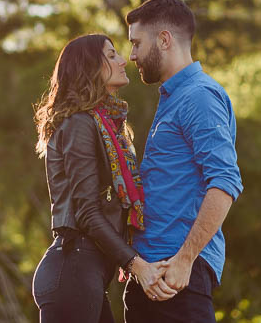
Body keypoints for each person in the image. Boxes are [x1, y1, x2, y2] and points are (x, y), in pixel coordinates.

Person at [32, 33, 175, 323]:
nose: (124, 60)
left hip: (86, 273)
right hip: (72, 268)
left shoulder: (105, 126)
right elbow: (86, 212)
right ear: (89, 68)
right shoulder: (79, 123)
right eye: (111, 55)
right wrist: (138, 266)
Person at [121, 0, 243, 322]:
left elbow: (225, 182)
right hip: (149, 276)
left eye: (136, 43)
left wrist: (185, 260)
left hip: (177, 281)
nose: (131, 55)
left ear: (164, 39)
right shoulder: (173, 98)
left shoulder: (199, 96)